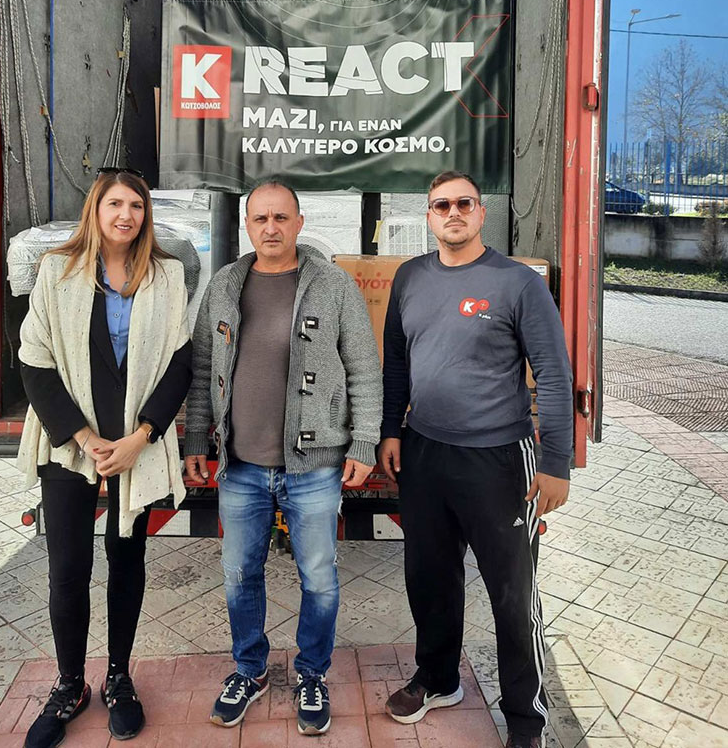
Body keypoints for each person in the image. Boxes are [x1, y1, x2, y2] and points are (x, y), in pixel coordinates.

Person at [379, 170, 573, 748]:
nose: (453, 213)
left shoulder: (517, 283)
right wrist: (391, 432)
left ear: (482, 213)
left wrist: (556, 462)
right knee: (430, 578)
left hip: (499, 460)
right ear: (429, 216)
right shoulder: (410, 277)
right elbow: (396, 362)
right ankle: (438, 679)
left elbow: (553, 374)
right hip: (425, 453)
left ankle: (526, 720)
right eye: (441, 205)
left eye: (464, 203)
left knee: (512, 596)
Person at [185, 179, 382, 736]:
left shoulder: (333, 285)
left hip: (314, 467)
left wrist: (364, 441)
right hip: (241, 466)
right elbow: (203, 369)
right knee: (238, 574)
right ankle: (249, 669)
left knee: (318, 578)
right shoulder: (225, 284)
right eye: (260, 218)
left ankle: (312, 673)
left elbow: (364, 368)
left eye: (280, 217)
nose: (270, 228)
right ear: (247, 225)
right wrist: (196, 438)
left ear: (299, 222)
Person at [16, 168, 193, 748]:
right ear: (95, 210)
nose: (126, 215)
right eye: (115, 204)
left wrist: (143, 435)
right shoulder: (58, 272)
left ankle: (118, 677)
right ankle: (70, 684)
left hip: (134, 446)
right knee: (68, 568)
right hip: (71, 444)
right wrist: (82, 436)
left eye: (136, 206)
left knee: (126, 559)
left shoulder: (166, 275)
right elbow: (34, 360)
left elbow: (180, 363)